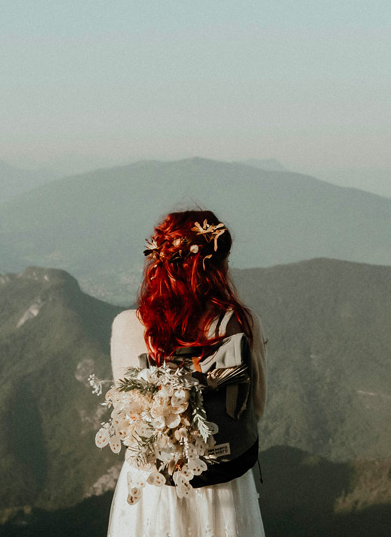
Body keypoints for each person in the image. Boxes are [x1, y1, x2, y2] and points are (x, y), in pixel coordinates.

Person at [106, 210, 267, 537]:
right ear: (218, 266)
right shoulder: (241, 325)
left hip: (154, 488)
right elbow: (256, 406)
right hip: (222, 487)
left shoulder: (126, 326)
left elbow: (128, 431)